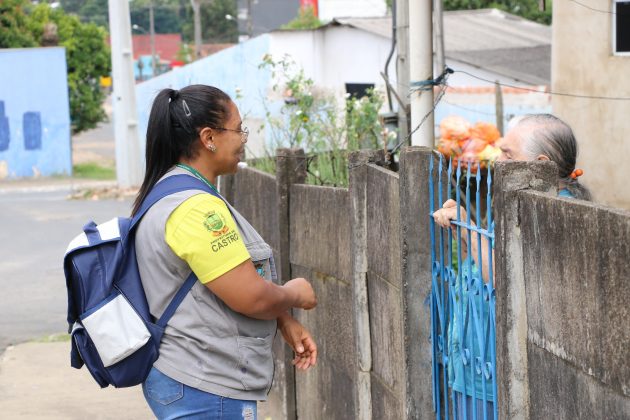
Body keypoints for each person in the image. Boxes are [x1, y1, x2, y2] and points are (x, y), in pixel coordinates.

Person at [133, 84, 318, 419]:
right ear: (209, 137)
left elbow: (211, 281)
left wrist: (282, 320)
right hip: (205, 385)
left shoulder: (173, 190)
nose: (243, 138)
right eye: (238, 128)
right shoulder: (197, 209)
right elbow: (251, 297)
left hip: (192, 378)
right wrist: (294, 294)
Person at [432, 113, 591, 419]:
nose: (498, 160)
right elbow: (488, 264)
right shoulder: (518, 201)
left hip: (501, 377)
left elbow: (506, 281)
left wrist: (468, 228)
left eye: (508, 154)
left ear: (539, 164)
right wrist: (466, 234)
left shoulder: (558, 215)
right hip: (479, 364)